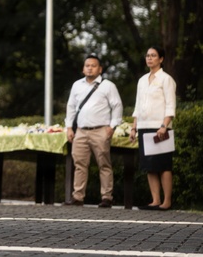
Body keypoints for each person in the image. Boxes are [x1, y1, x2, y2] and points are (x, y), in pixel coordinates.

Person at [63, 54, 123, 207]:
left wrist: (112, 126)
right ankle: (77, 197)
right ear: (83, 68)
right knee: (79, 164)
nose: (90, 68)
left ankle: (107, 197)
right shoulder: (77, 85)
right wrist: (69, 127)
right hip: (81, 131)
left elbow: (117, 106)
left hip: (100, 130)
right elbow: (71, 107)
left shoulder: (108, 85)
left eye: (93, 66)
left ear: (100, 69)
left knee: (104, 164)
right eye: (87, 65)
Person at [130, 46, 177, 210]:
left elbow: (170, 105)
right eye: (147, 55)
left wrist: (164, 125)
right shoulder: (142, 80)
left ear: (161, 59)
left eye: (153, 55)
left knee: (164, 165)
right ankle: (155, 200)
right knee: (149, 166)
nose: (149, 58)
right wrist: (134, 127)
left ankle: (166, 201)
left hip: (160, 127)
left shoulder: (166, 79)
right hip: (144, 126)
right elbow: (137, 106)